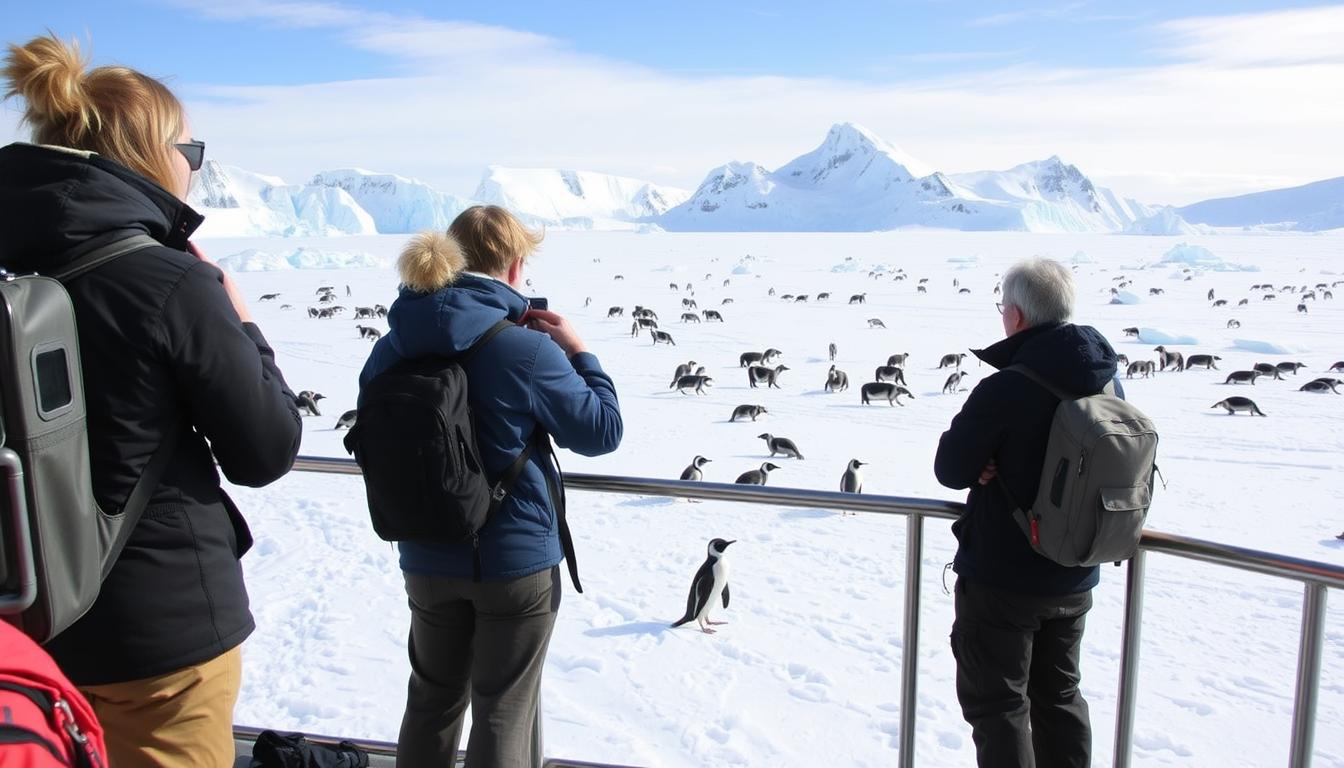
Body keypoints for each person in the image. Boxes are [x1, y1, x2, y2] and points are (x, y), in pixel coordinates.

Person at [0, 35, 303, 766]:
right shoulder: (170, 281)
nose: (195, 166)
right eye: (190, 150)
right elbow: (266, 450)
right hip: (163, 638)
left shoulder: (15, 268)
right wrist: (246, 326)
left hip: (32, 626)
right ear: (149, 154)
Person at [358, 205, 622, 768]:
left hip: (425, 556)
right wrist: (579, 352)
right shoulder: (526, 349)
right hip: (514, 563)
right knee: (503, 709)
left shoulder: (392, 345)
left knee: (431, 701)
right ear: (516, 264)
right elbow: (602, 431)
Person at [934, 258, 1120, 768]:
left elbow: (950, 468)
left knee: (1000, 708)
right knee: (1060, 699)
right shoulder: (1108, 383)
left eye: (1002, 308)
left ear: (1015, 315)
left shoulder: (1007, 387)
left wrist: (983, 461)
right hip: (1076, 574)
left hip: (1004, 581)